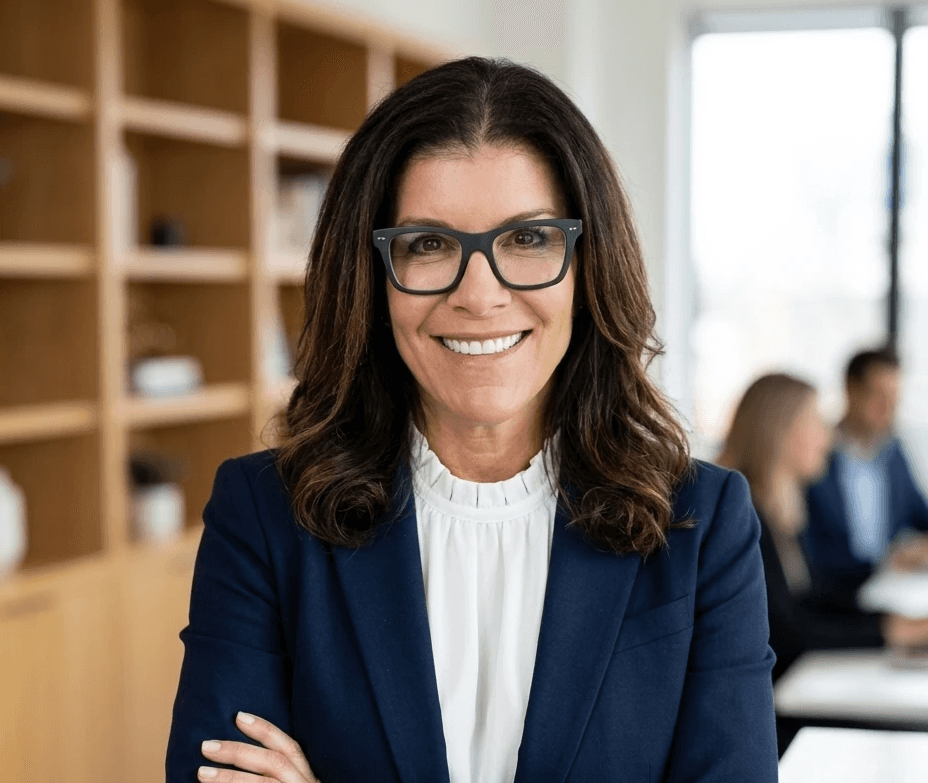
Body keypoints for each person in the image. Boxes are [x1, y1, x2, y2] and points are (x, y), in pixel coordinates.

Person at [166, 56, 778, 783]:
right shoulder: (265, 517)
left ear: (590, 267)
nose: (479, 295)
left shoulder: (702, 525)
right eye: (428, 245)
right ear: (370, 276)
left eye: (528, 240)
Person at [717, 372, 928, 756]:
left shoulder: (780, 511)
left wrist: (891, 619)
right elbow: (784, 632)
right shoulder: (742, 517)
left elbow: (812, 595)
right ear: (779, 432)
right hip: (762, 722)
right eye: (815, 424)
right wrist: (890, 632)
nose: (828, 439)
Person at [804, 348, 928, 605]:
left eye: (895, 398)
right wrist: (886, 562)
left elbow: (920, 513)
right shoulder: (813, 457)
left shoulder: (894, 453)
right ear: (851, 390)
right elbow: (806, 555)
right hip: (832, 599)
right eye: (879, 396)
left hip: (889, 590)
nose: (888, 409)